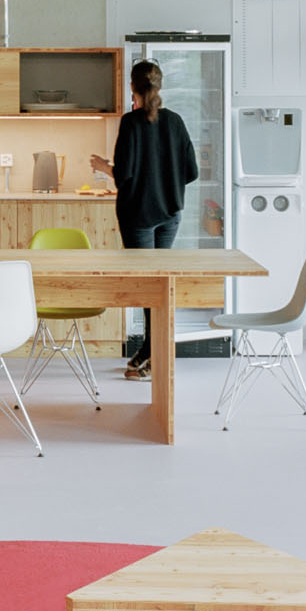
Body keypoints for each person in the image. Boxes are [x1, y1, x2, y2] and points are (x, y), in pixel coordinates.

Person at [91, 59, 199, 380]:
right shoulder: (176, 122)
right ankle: (150, 351)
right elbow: (191, 172)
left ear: (132, 88)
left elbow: (123, 175)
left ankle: (154, 356)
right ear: (160, 86)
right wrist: (165, 180)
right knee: (159, 284)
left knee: (149, 286)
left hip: (138, 216)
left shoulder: (131, 123)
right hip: (170, 214)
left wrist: (101, 165)